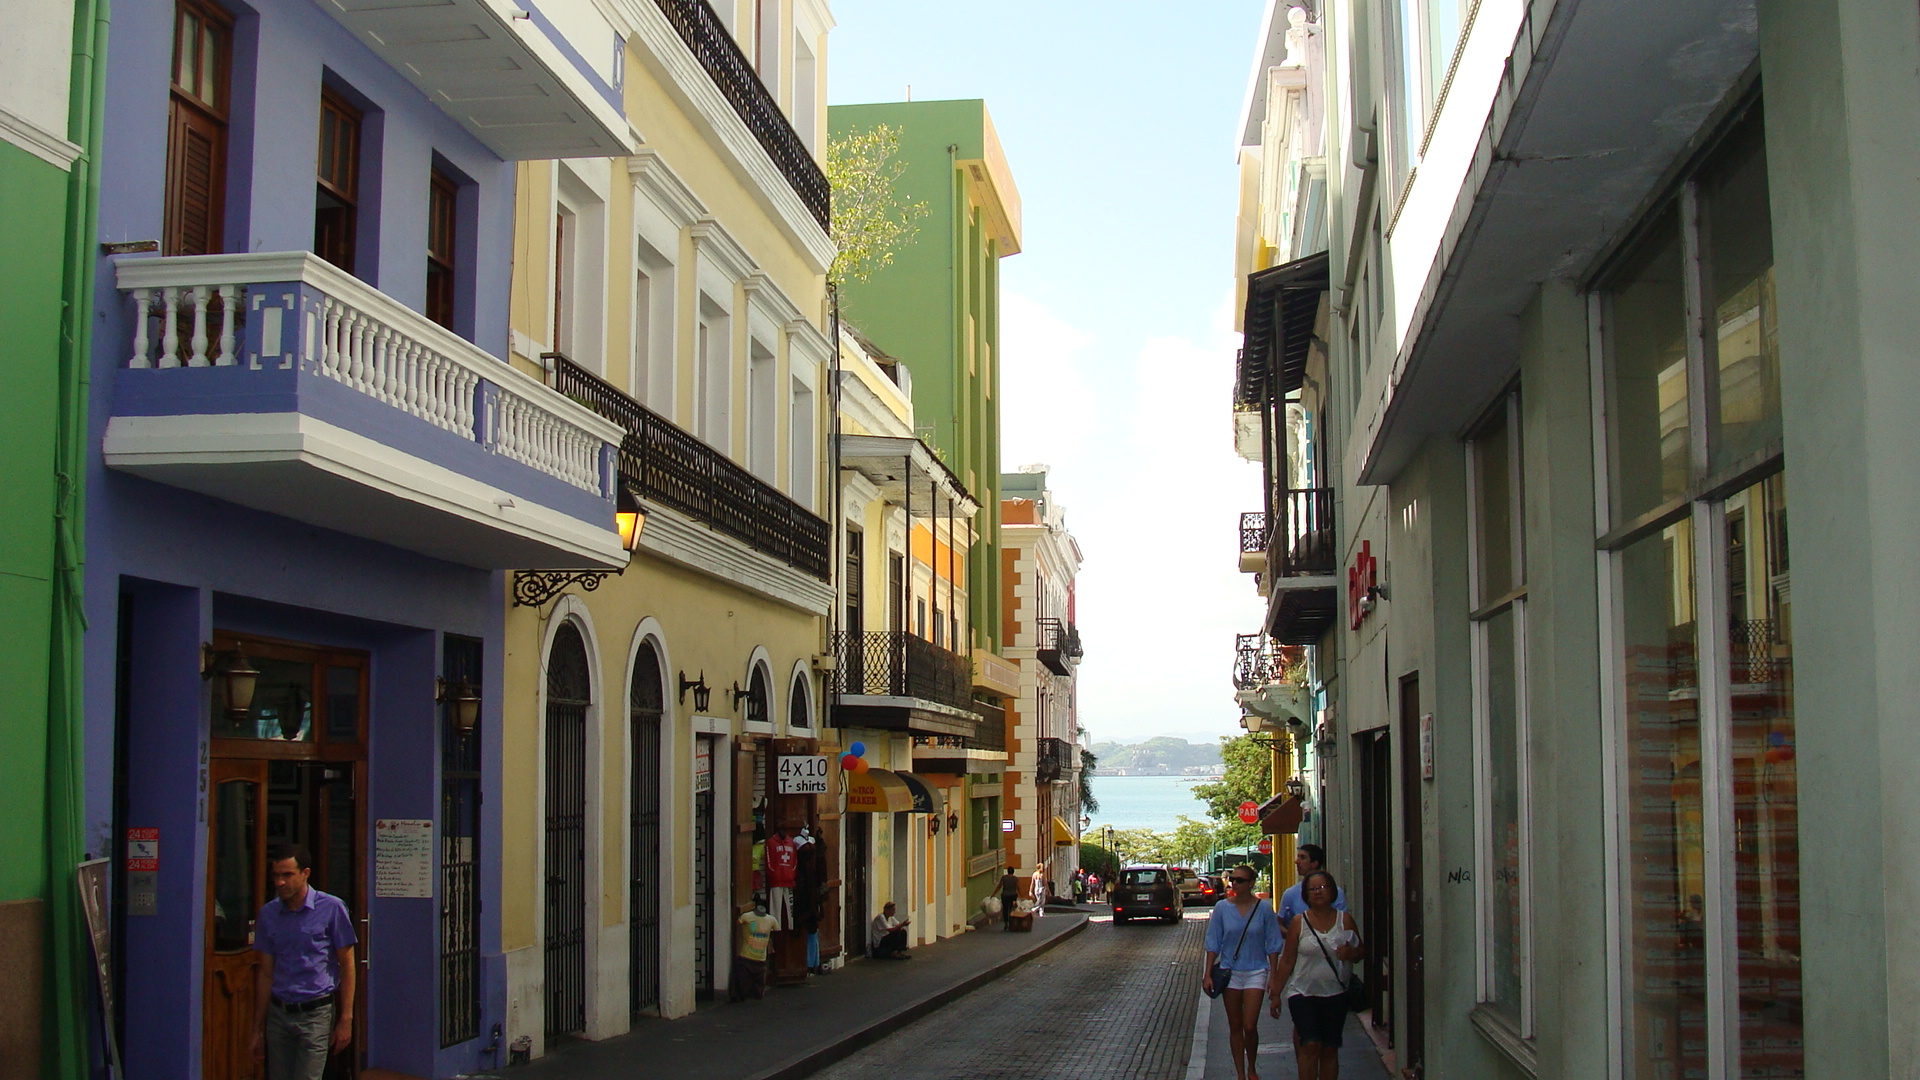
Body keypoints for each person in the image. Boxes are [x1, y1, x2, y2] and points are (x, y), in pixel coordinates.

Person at [251, 843, 357, 1080]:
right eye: (276, 876)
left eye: (287, 875)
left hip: (315, 1012)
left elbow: (347, 965)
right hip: (279, 1012)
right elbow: (265, 972)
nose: (280, 882)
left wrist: (346, 1019)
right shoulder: (269, 914)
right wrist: (257, 1028)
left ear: (305, 873)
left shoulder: (331, 908)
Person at [1272, 870, 1365, 1080]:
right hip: (1303, 993)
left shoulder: (1345, 920)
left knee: (1330, 1049)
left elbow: (1361, 952)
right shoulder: (1299, 922)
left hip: (1335, 994)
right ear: (1306, 895)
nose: (1318, 892)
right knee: (1310, 1044)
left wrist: (1350, 953)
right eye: (1312, 889)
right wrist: (1276, 992)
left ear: (1332, 891)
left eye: (1322, 887)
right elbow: (1287, 960)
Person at [1202, 864, 1286, 1080]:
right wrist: (1208, 973)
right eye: (1232, 879)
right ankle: (1241, 1073)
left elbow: (1273, 942)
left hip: (1256, 970)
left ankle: (1252, 1066)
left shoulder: (1264, 908)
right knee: (1235, 1025)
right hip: (1230, 971)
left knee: (1250, 1025)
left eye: (1240, 880)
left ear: (1250, 883)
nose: (1234, 884)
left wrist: (1274, 976)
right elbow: (1214, 942)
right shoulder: (1222, 908)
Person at [1276, 844, 1347, 926]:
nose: (1297, 862)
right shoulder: (1290, 894)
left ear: (1314, 863)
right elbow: (1279, 923)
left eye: (1302, 858)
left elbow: (1343, 923)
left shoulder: (1335, 892)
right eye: (1298, 857)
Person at [730, 904, 777, 1000]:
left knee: (756, 992)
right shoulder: (747, 917)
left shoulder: (771, 920)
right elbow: (738, 922)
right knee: (744, 989)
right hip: (748, 957)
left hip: (758, 959)